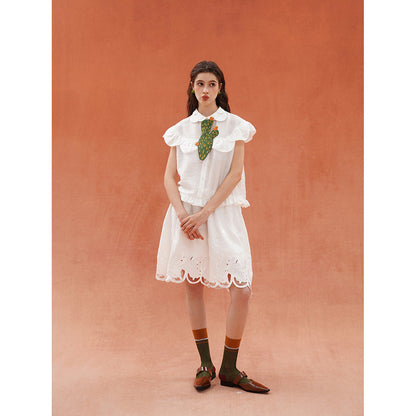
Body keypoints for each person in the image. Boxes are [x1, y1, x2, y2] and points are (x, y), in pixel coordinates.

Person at [156, 60, 269, 394]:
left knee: (242, 289)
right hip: (186, 218)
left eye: (212, 84)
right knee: (193, 285)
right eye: (200, 84)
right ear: (192, 88)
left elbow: (235, 174)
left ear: (221, 88)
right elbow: (169, 177)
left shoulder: (236, 127)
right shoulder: (180, 131)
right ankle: (205, 364)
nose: (205, 90)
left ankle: (230, 367)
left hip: (220, 214)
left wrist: (205, 213)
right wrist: (183, 215)